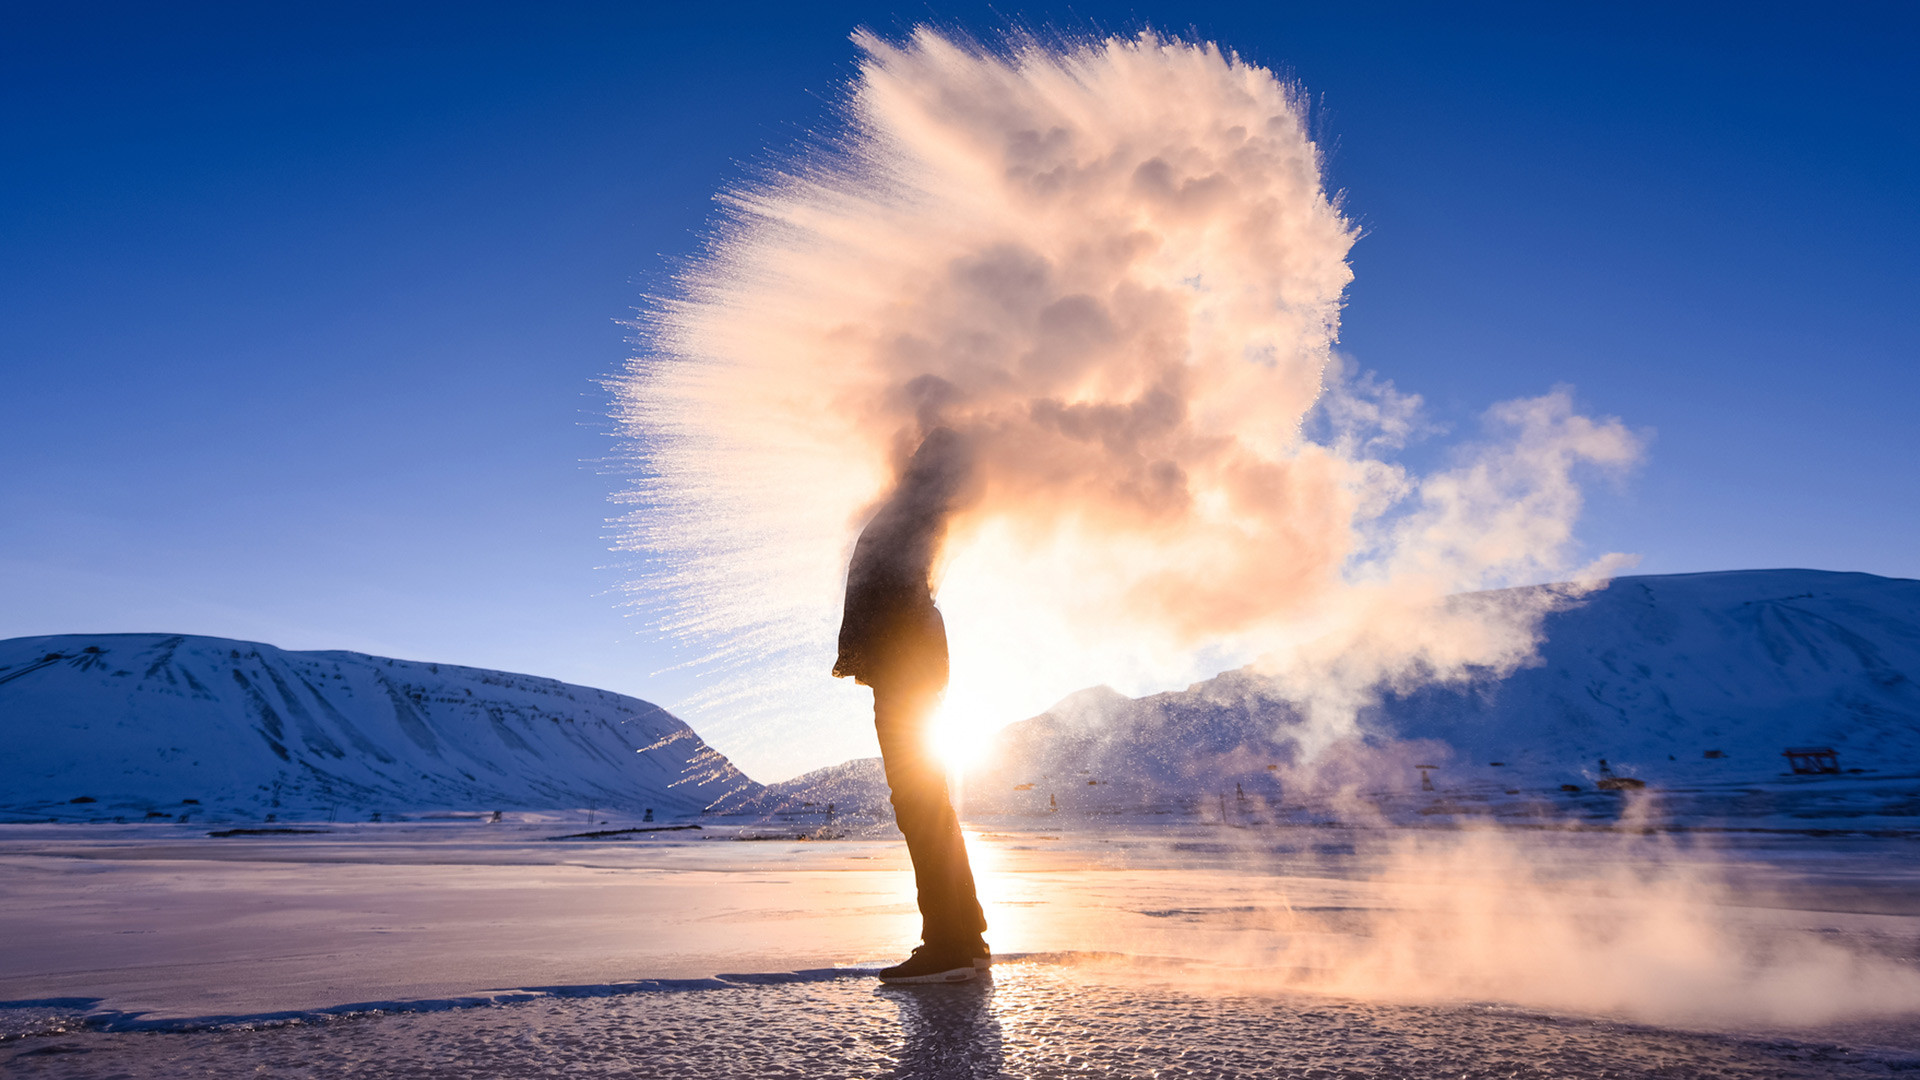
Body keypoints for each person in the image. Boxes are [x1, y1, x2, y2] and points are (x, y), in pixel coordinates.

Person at [833, 427, 988, 984]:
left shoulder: (926, 502)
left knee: (920, 802)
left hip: (906, 663)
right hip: (906, 661)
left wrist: (933, 419)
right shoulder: (921, 503)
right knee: (925, 802)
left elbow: (943, 442)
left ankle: (949, 943)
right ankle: (963, 937)